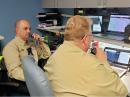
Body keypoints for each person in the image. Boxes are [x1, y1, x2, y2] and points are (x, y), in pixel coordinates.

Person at [44, 15, 128, 97]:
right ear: (85, 39)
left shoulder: (55, 56)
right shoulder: (92, 64)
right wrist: (103, 62)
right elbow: (122, 92)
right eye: (91, 36)